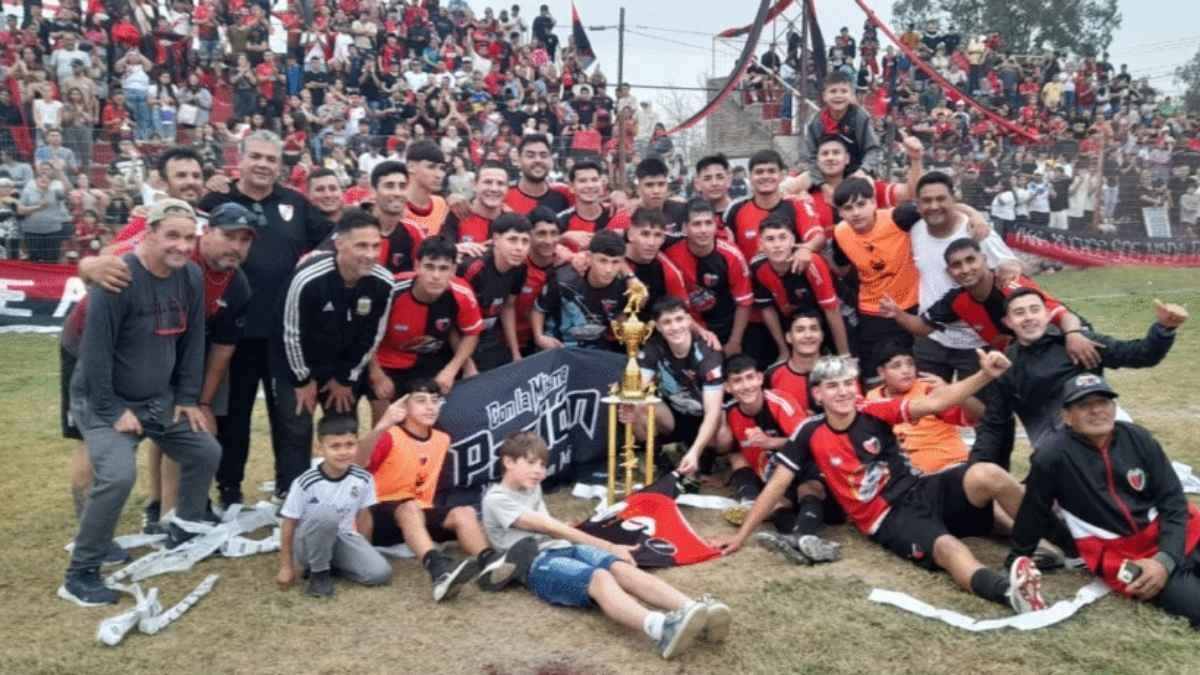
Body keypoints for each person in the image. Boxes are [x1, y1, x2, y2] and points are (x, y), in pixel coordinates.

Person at [714, 352, 1049, 615]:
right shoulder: (808, 432)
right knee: (947, 548)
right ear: (817, 394)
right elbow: (775, 485)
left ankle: (1063, 546)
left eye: (847, 383)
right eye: (832, 386)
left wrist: (984, 375)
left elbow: (935, 403)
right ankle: (1007, 591)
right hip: (886, 518)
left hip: (920, 487)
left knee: (988, 476)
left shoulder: (872, 409)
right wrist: (742, 535)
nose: (842, 391)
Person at [59, 200, 221, 607]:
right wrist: (113, 411)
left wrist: (186, 398)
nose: (182, 246)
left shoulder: (192, 276)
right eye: (172, 236)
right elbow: (94, 352)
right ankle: (81, 573)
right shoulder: (119, 276)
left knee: (204, 448)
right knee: (116, 476)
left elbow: (194, 338)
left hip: (158, 400)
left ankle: (183, 527)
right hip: (102, 400)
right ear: (148, 234)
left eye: (188, 237)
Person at [482, 431, 731, 659]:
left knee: (621, 567)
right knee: (600, 577)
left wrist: (579, 534)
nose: (540, 471)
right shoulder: (496, 499)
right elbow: (549, 527)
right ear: (508, 462)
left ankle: (695, 610)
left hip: (562, 546)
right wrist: (607, 545)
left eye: (543, 465)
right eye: (531, 462)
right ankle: (661, 627)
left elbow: (550, 524)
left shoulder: (530, 487)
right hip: (535, 564)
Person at [199, 130, 334, 508]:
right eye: (255, 156)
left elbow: (333, 235)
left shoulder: (295, 202)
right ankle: (228, 488)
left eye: (271, 159)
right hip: (231, 333)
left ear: (280, 166)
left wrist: (314, 262)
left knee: (290, 416)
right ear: (239, 159)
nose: (263, 164)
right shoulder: (216, 200)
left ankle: (290, 489)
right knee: (234, 415)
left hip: (286, 334)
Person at [1010, 373, 1200, 628]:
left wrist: (1165, 559)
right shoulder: (1051, 456)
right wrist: (1016, 560)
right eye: (1084, 405)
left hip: (1180, 533)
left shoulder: (1138, 438)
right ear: (1066, 416)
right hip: (1125, 555)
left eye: (1104, 402)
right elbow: (1034, 511)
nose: (1097, 411)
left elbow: (1173, 502)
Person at [971, 291, 1186, 471]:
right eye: (1019, 313)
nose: (1028, 317)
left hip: (1108, 432)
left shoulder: (1078, 342)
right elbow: (994, 426)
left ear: (1047, 315)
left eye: (1034, 310)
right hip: (1056, 452)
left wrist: (1163, 329)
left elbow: (1140, 355)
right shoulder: (1007, 366)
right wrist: (975, 468)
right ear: (1008, 322)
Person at [358, 383, 530, 602]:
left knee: (465, 512)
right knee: (409, 507)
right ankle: (439, 572)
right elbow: (357, 464)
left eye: (434, 400)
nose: (430, 407)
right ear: (404, 407)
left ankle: (491, 564)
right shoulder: (389, 435)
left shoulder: (442, 439)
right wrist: (382, 424)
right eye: (421, 401)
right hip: (379, 514)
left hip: (418, 512)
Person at [274, 208, 394, 500]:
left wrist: (345, 378)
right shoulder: (308, 278)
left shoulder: (383, 282)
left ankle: (341, 492)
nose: (370, 254)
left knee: (342, 425)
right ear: (339, 243)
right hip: (297, 363)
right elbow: (289, 333)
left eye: (375, 246)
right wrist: (302, 380)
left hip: (341, 367)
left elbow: (372, 336)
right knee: (296, 427)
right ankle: (291, 494)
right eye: (361, 246)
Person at [879, 238, 1096, 358]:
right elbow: (923, 327)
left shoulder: (1009, 283)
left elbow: (1062, 315)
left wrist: (1074, 334)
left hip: (1070, 340)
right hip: (1030, 356)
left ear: (984, 260)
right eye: (957, 265)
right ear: (949, 272)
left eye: (971, 260)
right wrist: (897, 313)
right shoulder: (956, 300)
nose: (965, 269)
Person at [721, 354, 843, 564]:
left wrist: (771, 442)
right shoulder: (731, 413)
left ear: (760, 378)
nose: (746, 385)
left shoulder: (779, 401)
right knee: (775, 504)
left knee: (808, 488)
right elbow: (730, 451)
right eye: (737, 381)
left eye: (750, 378)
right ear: (728, 387)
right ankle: (804, 542)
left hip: (812, 475)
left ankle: (800, 537)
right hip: (778, 482)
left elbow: (811, 441)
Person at [903, 171, 1023, 382]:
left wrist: (1007, 269)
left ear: (954, 199)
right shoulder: (914, 229)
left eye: (941, 199)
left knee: (980, 410)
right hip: (932, 337)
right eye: (927, 200)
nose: (933, 206)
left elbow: (1009, 265)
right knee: (931, 406)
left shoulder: (974, 230)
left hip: (977, 340)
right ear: (918, 204)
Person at [276, 414, 393, 598]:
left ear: (357, 444)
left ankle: (332, 565)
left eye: (349, 444)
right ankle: (319, 574)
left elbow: (363, 516)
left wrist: (364, 550)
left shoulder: (363, 478)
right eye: (335, 446)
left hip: (342, 538)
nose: (343, 452)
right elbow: (289, 523)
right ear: (319, 448)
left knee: (380, 573)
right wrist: (286, 567)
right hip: (308, 543)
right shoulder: (305, 482)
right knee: (326, 513)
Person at [368, 236, 482, 421]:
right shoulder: (391, 290)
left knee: (433, 420)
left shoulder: (461, 293)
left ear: (453, 270)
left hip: (431, 359)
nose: (436, 276)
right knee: (386, 422)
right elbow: (367, 334)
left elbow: (472, 333)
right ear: (417, 266)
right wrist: (377, 374)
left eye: (444, 268)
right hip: (387, 361)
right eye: (429, 267)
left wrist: (451, 370)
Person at [829, 178, 922, 377]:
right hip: (873, 310)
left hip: (910, 305)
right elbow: (842, 268)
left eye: (861, 204)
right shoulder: (841, 233)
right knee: (875, 373)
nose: (855, 212)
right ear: (840, 213)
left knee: (911, 372)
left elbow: (936, 206)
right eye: (848, 208)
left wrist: (972, 215)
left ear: (874, 202)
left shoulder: (898, 217)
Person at [630, 297, 725, 475]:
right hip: (674, 416)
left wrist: (695, 451)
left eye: (679, 319)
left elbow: (713, 412)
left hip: (705, 418)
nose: (674, 327)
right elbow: (637, 389)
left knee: (723, 430)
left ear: (689, 320)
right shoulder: (653, 347)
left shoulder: (708, 355)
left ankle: (704, 456)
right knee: (636, 404)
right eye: (667, 322)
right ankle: (656, 458)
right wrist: (628, 404)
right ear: (657, 326)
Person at [866, 341, 983, 474]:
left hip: (949, 467)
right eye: (896, 366)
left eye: (910, 364)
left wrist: (952, 392)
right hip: (904, 476)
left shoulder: (930, 388)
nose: (906, 370)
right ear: (881, 372)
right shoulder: (872, 397)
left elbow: (978, 415)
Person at [751, 215, 849, 362]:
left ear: (792, 241)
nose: (777, 245)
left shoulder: (810, 262)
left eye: (782, 237)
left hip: (838, 315)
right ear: (760, 244)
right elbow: (767, 309)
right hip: (798, 319)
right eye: (770, 239)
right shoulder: (758, 267)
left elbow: (832, 310)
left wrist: (844, 355)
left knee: (845, 364)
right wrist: (783, 351)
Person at [662, 199, 753, 355]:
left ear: (715, 224)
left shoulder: (732, 255)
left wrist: (734, 342)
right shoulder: (671, 253)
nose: (703, 230)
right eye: (697, 224)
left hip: (727, 329)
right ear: (685, 227)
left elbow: (744, 302)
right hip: (688, 330)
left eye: (708, 223)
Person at [532, 230, 631, 352]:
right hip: (559, 346)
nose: (609, 269)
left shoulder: (621, 287)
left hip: (596, 349)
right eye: (603, 260)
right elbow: (538, 309)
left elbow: (619, 314)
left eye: (615, 262)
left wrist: (628, 332)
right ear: (589, 257)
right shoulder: (563, 281)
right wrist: (539, 337)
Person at [459, 213, 530, 373]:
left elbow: (508, 306)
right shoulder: (473, 269)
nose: (519, 247)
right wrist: (466, 364)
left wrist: (515, 352)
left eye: (525, 241)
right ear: (496, 239)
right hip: (459, 338)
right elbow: (451, 323)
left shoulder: (520, 268)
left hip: (488, 335)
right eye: (512, 240)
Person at [800, 70, 882, 179]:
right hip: (824, 174)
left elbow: (873, 150)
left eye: (844, 91)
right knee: (796, 181)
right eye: (833, 91)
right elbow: (808, 156)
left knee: (867, 184)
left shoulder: (859, 117)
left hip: (856, 173)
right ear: (824, 96)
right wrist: (820, 181)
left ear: (852, 95)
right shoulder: (816, 121)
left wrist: (863, 171)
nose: (838, 95)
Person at [504, 134, 572, 215]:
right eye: (530, 155)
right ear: (518, 160)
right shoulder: (504, 195)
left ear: (550, 160)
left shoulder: (565, 195)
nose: (538, 160)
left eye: (543, 155)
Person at [403, 139, 450, 236]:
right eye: (431, 167)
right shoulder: (397, 206)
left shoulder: (440, 203)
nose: (439, 175)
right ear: (411, 167)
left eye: (441, 168)